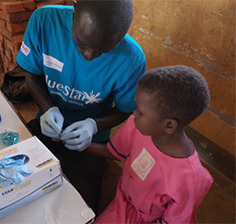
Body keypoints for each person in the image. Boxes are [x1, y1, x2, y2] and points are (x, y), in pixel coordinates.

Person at [16, 0, 146, 212]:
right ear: (75, 9)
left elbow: (125, 109)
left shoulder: (132, 60)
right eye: (81, 43)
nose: (88, 56)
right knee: (12, 181)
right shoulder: (45, 21)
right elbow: (32, 74)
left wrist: (93, 126)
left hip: (89, 141)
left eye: (102, 51)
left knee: (76, 209)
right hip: (46, 123)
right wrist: (48, 108)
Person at [83, 65, 214, 223]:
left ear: (169, 125)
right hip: (121, 205)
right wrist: (82, 144)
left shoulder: (189, 179)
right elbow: (114, 152)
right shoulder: (139, 128)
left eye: (140, 111)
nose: (134, 113)